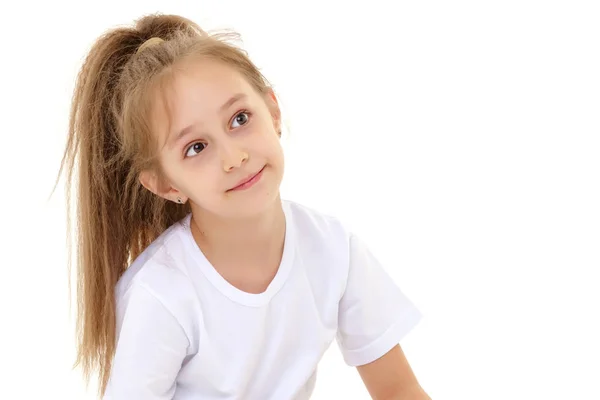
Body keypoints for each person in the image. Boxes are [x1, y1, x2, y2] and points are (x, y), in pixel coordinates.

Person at [57, 12, 430, 400]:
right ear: (165, 185)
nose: (233, 157)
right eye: (196, 148)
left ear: (273, 111)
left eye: (239, 119)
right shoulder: (163, 295)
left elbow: (398, 389)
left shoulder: (335, 250)